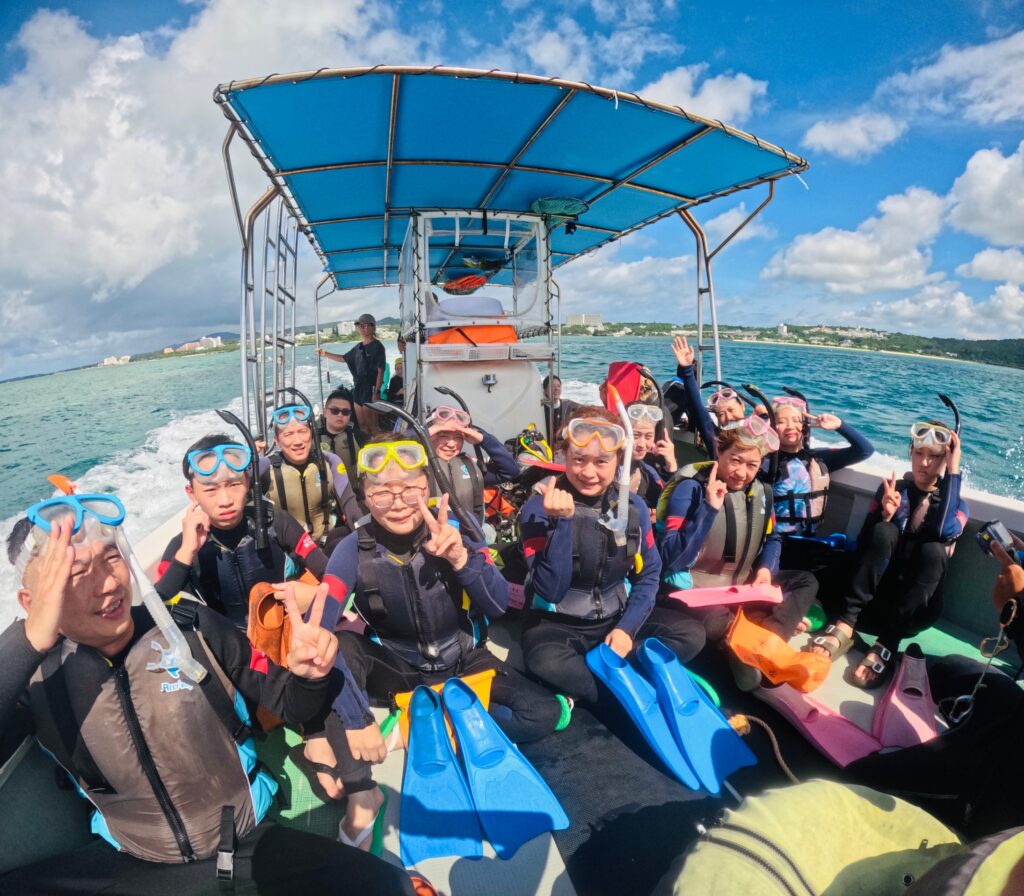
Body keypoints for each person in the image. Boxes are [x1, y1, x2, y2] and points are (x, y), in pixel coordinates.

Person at [0, 497, 416, 894]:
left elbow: (291, 704)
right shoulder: (36, 677)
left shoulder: (190, 626)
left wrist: (309, 678)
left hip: (244, 846)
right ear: (32, 602)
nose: (107, 584)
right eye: (74, 574)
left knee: (390, 885)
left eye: (111, 558)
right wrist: (32, 638)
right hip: (134, 862)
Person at [308, 434, 564, 838]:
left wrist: (461, 558)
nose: (398, 502)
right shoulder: (353, 549)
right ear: (364, 496)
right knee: (337, 647)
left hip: (465, 661)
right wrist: (354, 718)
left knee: (543, 712)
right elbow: (321, 622)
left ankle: (411, 730)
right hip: (401, 668)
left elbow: (498, 606)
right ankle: (363, 789)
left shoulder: (456, 532)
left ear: (427, 487)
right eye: (381, 493)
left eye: (410, 489)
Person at [518, 407, 706, 705]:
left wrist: (626, 629)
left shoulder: (633, 508)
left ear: (619, 460)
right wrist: (560, 523)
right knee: (545, 661)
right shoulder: (537, 510)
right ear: (564, 456)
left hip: (614, 620)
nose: (588, 472)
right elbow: (551, 590)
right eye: (578, 460)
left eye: (601, 461)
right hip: (558, 626)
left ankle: (597, 683)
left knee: (691, 633)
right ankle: (628, 685)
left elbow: (650, 575)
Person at [657, 419, 819, 688]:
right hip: (696, 592)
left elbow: (773, 538)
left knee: (806, 581)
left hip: (742, 586)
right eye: (735, 460)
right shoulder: (690, 489)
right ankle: (748, 640)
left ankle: (764, 640)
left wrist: (765, 570)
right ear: (719, 451)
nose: (742, 473)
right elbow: (672, 557)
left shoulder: (761, 492)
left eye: (752, 465)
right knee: (710, 625)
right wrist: (708, 509)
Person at [809, 421, 968, 687]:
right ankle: (846, 624)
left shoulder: (957, 506)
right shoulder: (893, 491)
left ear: (946, 460)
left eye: (935, 457)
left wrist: (954, 471)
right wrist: (883, 517)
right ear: (911, 453)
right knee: (883, 530)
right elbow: (863, 548)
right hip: (872, 603)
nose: (924, 463)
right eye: (919, 453)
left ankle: (887, 643)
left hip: (911, 614)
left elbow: (941, 530)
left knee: (934, 550)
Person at [155, 435, 329, 629]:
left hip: (286, 634)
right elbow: (156, 612)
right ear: (191, 493)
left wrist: (314, 595)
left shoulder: (276, 522)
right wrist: (186, 553)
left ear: (247, 482)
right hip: (229, 653)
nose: (225, 500)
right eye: (210, 490)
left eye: (234, 485)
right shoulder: (182, 547)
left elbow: (329, 572)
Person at [769, 394, 874, 572]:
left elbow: (865, 450)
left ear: (804, 426)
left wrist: (839, 425)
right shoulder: (766, 461)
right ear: (772, 426)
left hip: (808, 541)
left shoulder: (818, 459)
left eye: (796, 420)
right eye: (782, 421)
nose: (790, 426)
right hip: (775, 543)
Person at [260, 402, 362, 553]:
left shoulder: (330, 461)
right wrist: (247, 463)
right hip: (287, 551)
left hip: (328, 543)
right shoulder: (263, 467)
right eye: (288, 434)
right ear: (277, 440)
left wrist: (364, 537)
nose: (298, 441)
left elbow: (349, 503)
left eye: (302, 431)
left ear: (312, 433)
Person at [427, 406, 520, 525]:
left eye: (458, 437)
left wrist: (484, 439)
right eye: (443, 435)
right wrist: (423, 433)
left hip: (470, 539)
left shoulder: (470, 466)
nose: (451, 444)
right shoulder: (416, 467)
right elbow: (397, 445)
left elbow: (510, 471)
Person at [317, 313, 386, 431]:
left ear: (373, 327)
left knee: (373, 426)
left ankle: (379, 447)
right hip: (358, 389)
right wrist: (325, 354)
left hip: (370, 389)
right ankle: (367, 446)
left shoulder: (378, 346)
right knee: (362, 425)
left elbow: (380, 371)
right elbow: (344, 358)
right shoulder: (358, 347)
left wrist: (376, 391)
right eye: (360, 326)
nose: (362, 328)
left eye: (365, 325)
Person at [626, 400, 677, 511]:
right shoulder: (608, 465)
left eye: (648, 437)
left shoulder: (647, 473)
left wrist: (671, 464)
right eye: (635, 436)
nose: (642, 444)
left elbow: (671, 502)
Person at [317, 386, 366, 478]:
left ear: (350, 415)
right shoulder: (312, 439)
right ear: (325, 412)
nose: (340, 415)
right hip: (323, 491)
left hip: (353, 491)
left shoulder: (359, 438)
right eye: (335, 411)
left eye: (345, 412)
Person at [542, 374, 580, 441]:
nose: (556, 389)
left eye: (558, 386)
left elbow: (586, 409)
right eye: (552, 386)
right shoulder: (540, 407)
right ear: (545, 390)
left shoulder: (567, 404)